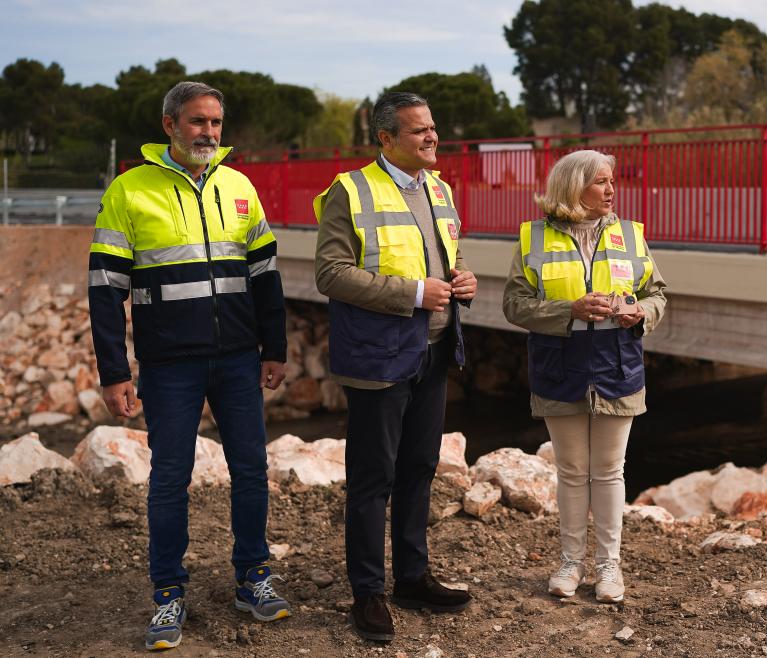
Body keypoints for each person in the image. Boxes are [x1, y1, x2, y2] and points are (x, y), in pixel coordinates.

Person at [88, 81, 291, 651]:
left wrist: (273, 348)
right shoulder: (128, 192)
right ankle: (168, 593)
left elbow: (266, 277)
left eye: (216, 123)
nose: (208, 133)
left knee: (251, 470)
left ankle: (252, 576)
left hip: (236, 359)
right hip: (169, 363)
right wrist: (114, 371)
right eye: (197, 122)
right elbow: (105, 288)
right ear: (170, 125)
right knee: (169, 479)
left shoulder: (240, 187)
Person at [313, 91, 476, 643]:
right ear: (385, 139)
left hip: (431, 351)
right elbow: (331, 274)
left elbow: (443, 262)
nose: (432, 137)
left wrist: (462, 282)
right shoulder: (350, 191)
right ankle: (367, 591)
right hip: (378, 357)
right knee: (372, 478)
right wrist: (412, 293)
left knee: (419, 469)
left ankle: (411, 577)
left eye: (433, 128)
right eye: (418, 131)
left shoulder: (441, 189)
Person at [502, 149, 667, 603]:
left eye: (612, 181)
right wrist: (568, 310)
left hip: (617, 365)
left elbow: (658, 294)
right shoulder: (533, 237)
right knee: (573, 471)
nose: (611, 190)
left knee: (610, 471)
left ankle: (608, 566)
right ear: (574, 186)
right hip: (560, 367)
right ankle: (571, 563)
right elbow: (514, 305)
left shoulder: (631, 235)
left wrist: (641, 312)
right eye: (601, 182)